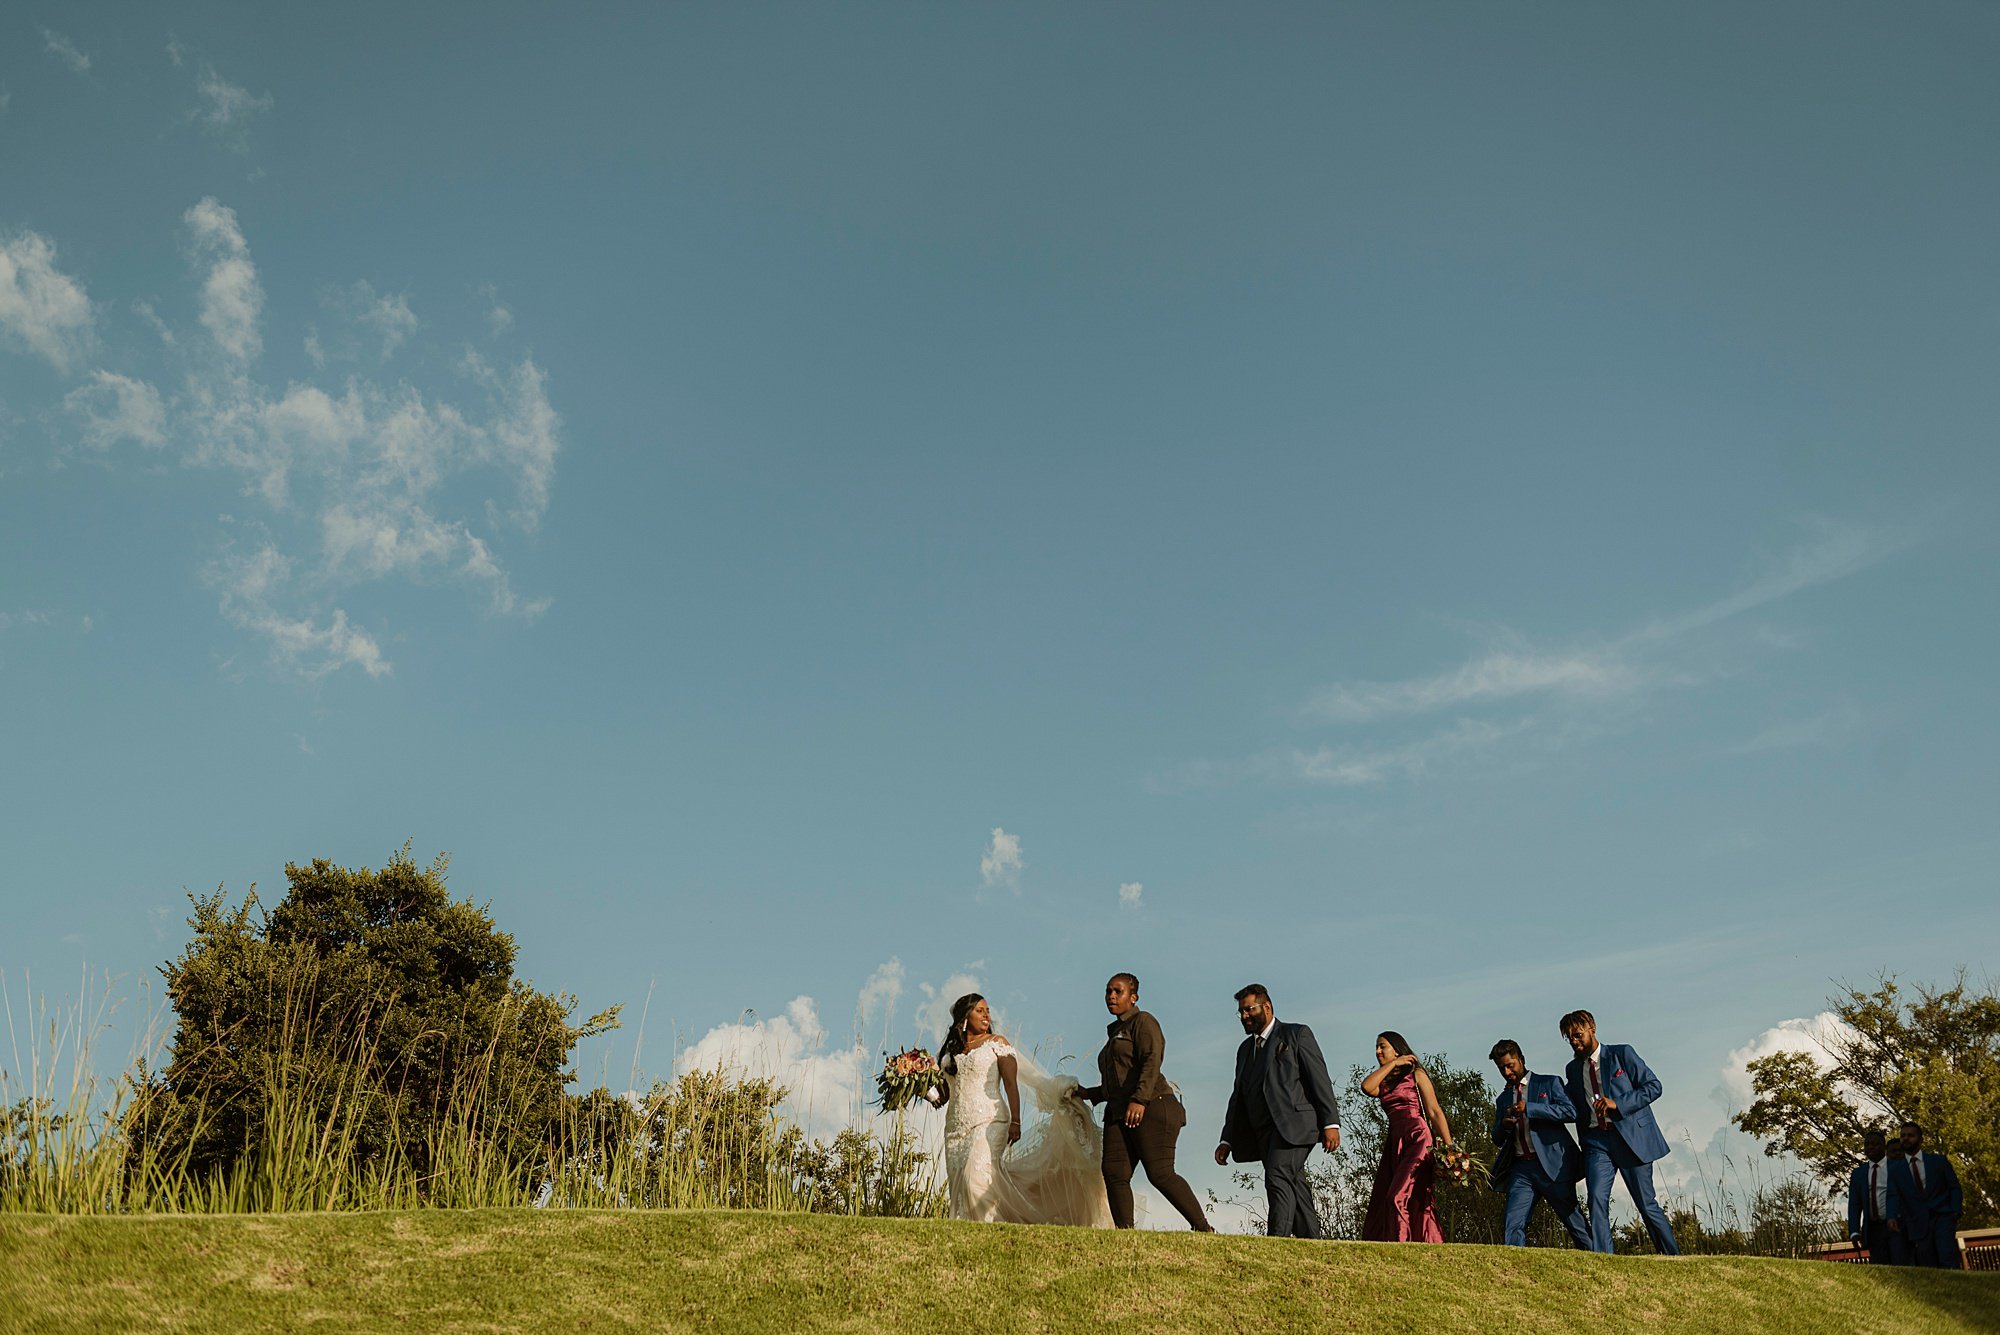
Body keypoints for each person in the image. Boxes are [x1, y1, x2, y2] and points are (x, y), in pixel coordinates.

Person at [934, 992, 1112, 1226]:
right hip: (955, 1127)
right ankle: (968, 1229)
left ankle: (988, 1227)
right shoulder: (951, 1053)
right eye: (980, 1011)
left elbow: (1010, 1084)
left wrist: (1016, 1121)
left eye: (987, 1010)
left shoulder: (997, 1044)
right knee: (959, 1181)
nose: (986, 1015)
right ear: (964, 1016)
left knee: (974, 1177)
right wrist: (920, 1086)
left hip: (989, 1120)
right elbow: (944, 1096)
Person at [1073, 973, 1213, 1231]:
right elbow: (1117, 1084)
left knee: (1159, 1172)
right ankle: (1125, 1233)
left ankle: (1203, 1228)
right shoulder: (1114, 1033)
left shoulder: (1143, 1021)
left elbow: (1152, 1060)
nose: (1111, 996)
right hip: (1119, 1113)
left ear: (1133, 997)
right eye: (1107, 992)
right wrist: (1087, 1094)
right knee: (1114, 1173)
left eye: (1118, 991)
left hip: (1153, 1106)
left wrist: (1140, 1100)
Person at [1214, 983, 1341, 1239]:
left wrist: (1331, 1123)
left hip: (1296, 1125)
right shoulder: (1244, 1051)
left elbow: (1319, 1080)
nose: (1244, 1016)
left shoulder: (1296, 1035)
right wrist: (1227, 1138)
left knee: (1277, 1175)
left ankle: (1277, 1242)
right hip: (1263, 1133)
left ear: (1267, 1007)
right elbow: (1237, 1097)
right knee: (1294, 1184)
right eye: (1240, 1012)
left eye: (1249, 1009)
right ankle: (1312, 1245)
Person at [1559, 1010, 1679, 1255]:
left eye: (1578, 1035)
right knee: (1596, 1200)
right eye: (1569, 1038)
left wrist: (1618, 1104)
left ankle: (1672, 1257)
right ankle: (1604, 1259)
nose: (1574, 1041)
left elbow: (1654, 1086)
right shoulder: (1572, 1069)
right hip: (1596, 1143)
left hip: (1631, 1138)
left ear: (1592, 1027)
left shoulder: (1622, 1053)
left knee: (1646, 1204)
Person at [1487, 1039, 1592, 1249]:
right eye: (1501, 1068)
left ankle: (1600, 1258)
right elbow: (1497, 1139)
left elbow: (1570, 1112)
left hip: (1553, 1165)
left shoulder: (1549, 1083)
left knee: (1575, 1223)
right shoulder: (1502, 1099)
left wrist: (1531, 1108)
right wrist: (1505, 1126)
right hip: (1521, 1169)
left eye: (1510, 1065)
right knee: (1513, 1223)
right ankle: (1512, 1269)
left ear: (1522, 1060)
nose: (1507, 1072)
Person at [1360, 1031, 1449, 1242]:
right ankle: (1418, 1242)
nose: (1377, 1051)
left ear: (1397, 1048)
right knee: (1395, 1198)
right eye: (1376, 1047)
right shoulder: (1384, 1082)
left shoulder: (1416, 1075)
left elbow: (1434, 1111)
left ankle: (1400, 1246)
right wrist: (1392, 1064)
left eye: (1382, 1046)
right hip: (1396, 1143)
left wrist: (1449, 1146)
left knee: (1396, 1197)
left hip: (1418, 1139)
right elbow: (1366, 1087)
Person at [1887, 1120, 1964, 1269]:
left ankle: (1957, 1288)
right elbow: (1893, 1194)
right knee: (1926, 1260)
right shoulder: (1896, 1170)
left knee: (1947, 1254)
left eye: (1911, 1135)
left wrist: (1955, 1210)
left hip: (1943, 1215)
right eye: (1903, 1136)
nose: (1906, 1139)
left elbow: (1954, 1187)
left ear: (1920, 1140)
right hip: (1916, 1220)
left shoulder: (1938, 1161)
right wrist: (1891, 1216)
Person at [1846, 1128, 1893, 1262]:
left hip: (1895, 1226)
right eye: (1867, 1144)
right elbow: (1855, 1204)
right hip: (1873, 1229)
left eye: (1875, 1144)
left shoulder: (1895, 1167)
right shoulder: (1858, 1173)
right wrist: (1854, 1231)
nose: (1870, 1147)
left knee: (1900, 1262)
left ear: (1884, 1146)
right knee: (1879, 1265)